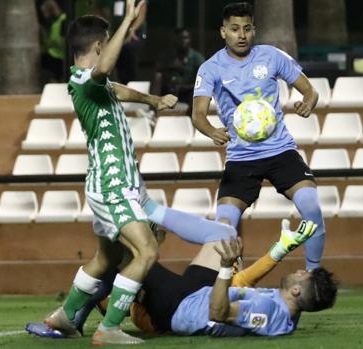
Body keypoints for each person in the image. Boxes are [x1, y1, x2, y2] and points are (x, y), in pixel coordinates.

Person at [44, 1, 240, 344]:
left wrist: (151, 101)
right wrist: (127, 22)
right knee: (146, 252)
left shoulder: (89, 83)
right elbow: (104, 72)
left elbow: (114, 88)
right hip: (112, 185)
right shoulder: (86, 79)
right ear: (101, 45)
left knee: (106, 259)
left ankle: (64, 316)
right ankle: (109, 329)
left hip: (115, 184)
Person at [28, 219, 338, 337]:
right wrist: (279, 249)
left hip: (181, 308)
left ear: (297, 290)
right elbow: (241, 288)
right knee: (223, 234)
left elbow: (218, 313)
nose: (300, 269)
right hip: (197, 293)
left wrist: (226, 269)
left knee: (120, 251)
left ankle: (71, 316)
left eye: (304, 274)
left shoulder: (270, 313)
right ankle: (154, 226)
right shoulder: (286, 313)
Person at [191, 2, 325, 271]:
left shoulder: (271, 56)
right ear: (223, 32)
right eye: (235, 29)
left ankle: (313, 275)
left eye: (247, 28)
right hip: (241, 157)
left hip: (280, 151)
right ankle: (230, 277)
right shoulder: (210, 68)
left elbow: (309, 90)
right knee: (224, 223)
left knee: (311, 206)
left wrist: (307, 102)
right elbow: (198, 114)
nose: (241, 35)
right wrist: (212, 131)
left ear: (254, 30)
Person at [151, 28, 205, 113]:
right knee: (157, 77)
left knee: (196, 95)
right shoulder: (167, 56)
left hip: (187, 91)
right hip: (169, 91)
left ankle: (192, 120)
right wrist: (169, 68)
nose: (183, 41)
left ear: (190, 40)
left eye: (186, 38)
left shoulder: (197, 58)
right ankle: (152, 112)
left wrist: (185, 87)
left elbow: (204, 82)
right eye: (180, 38)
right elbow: (157, 70)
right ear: (174, 40)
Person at [94, 0, 147, 84]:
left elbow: (142, 12)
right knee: (118, 66)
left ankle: (131, 88)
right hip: (116, 34)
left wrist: (132, 29)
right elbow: (99, 9)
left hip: (133, 36)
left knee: (130, 65)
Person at [39, 0, 67, 82]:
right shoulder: (54, 22)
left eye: (45, 12)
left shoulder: (63, 20)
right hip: (53, 53)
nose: (44, 15)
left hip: (59, 55)